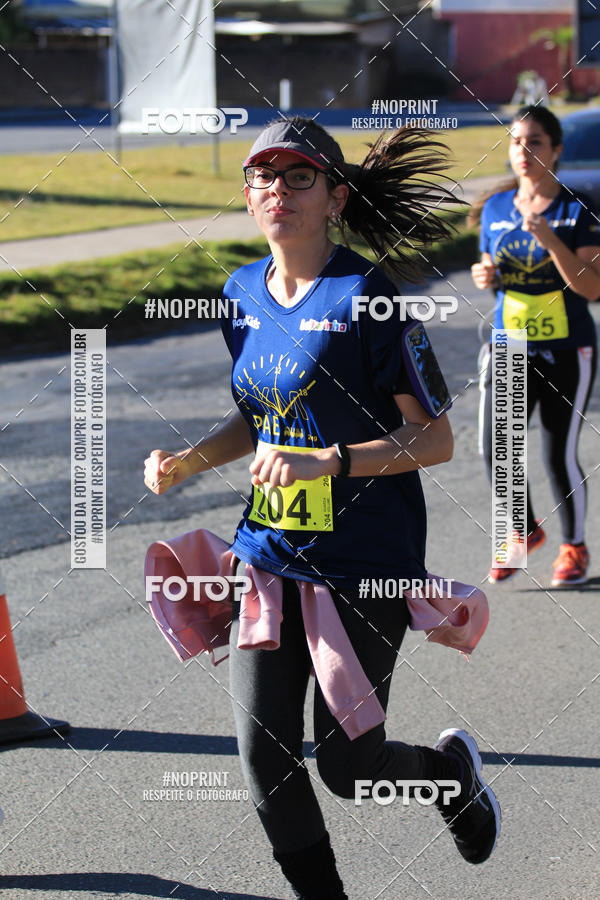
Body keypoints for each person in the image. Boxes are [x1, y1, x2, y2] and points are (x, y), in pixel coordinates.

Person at [145, 117, 501, 898]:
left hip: (364, 560)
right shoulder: (239, 295)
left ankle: (450, 778)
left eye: (299, 175)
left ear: (335, 197)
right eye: (263, 176)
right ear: (248, 198)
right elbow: (257, 417)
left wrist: (330, 461)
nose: (279, 189)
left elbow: (433, 439)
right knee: (262, 752)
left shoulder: (366, 295)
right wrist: (188, 460)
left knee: (350, 769)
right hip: (270, 553)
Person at [471, 105, 600, 586]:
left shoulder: (576, 210)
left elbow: (591, 288)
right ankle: (521, 532)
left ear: (556, 150)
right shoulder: (498, 209)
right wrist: (486, 276)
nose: (522, 153)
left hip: (568, 347)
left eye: (534, 143)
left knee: (556, 453)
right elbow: (494, 273)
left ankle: (574, 547)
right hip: (511, 343)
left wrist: (550, 240)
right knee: (496, 448)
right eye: (514, 142)